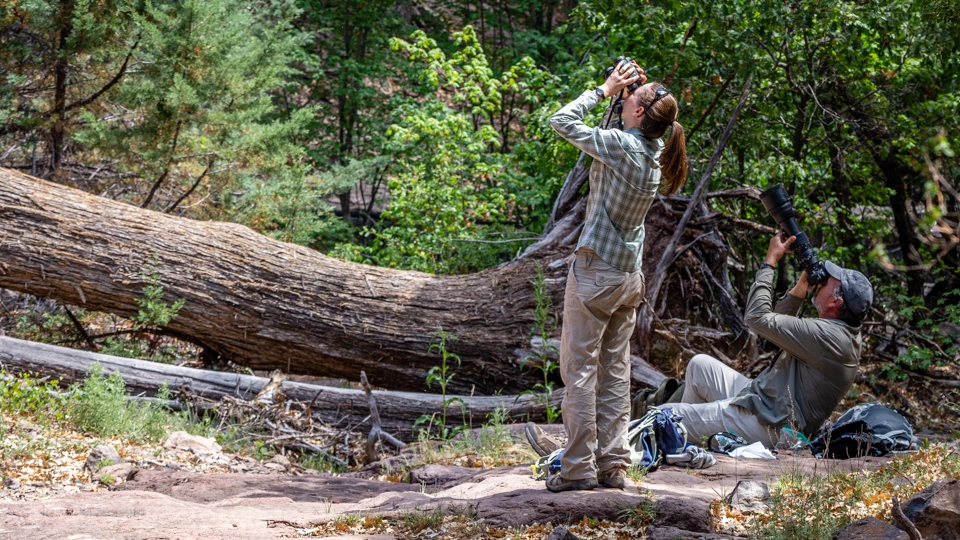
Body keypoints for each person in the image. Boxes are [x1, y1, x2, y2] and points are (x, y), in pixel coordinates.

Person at [545, 60, 689, 492]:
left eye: (631, 99)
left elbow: (561, 121)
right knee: (614, 373)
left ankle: (576, 469)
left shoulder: (621, 146)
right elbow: (627, 129)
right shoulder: (654, 153)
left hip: (595, 274)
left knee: (580, 372)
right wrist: (629, 96)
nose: (624, 99)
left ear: (639, 112)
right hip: (628, 277)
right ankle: (613, 466)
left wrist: (603, 90)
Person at [668, 234, 874, 448]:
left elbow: (756, 318)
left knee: (667, 415)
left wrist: (770, 261)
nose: (821, 282)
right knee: (700, 366)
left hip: (772, 426)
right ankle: (684, 440)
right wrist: (801, 288)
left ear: (835, 301)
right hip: (767, 402)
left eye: (827, 282)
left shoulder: (829, 337)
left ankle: (676, 433)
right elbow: (774, 327)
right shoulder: (844, 331)